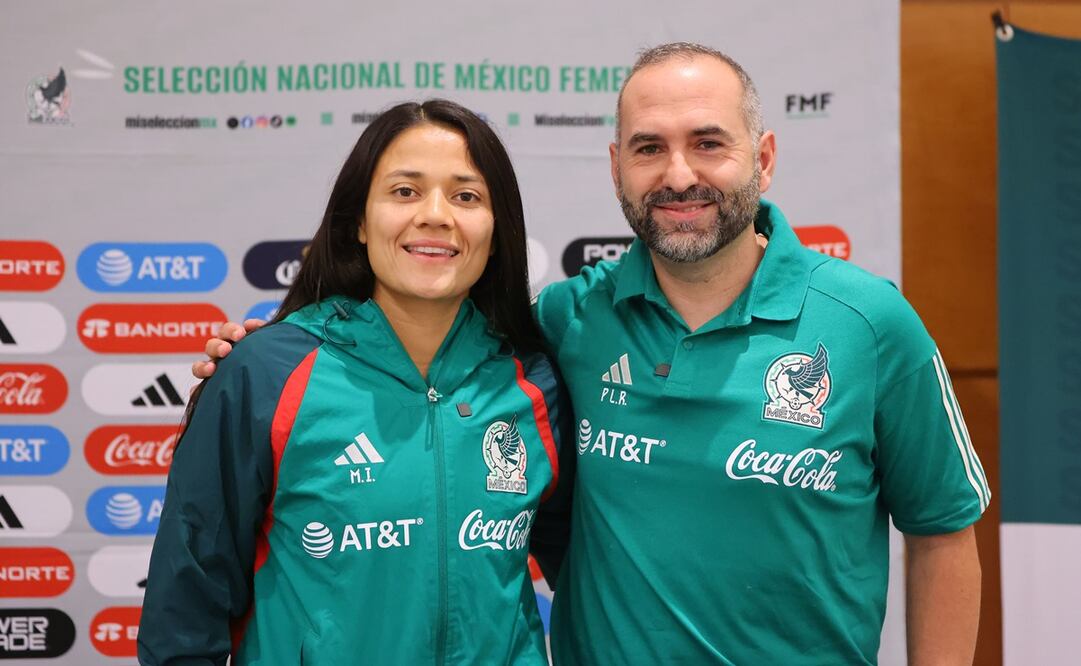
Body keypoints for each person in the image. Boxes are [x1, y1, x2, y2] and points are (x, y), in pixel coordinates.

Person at [196, 44, 988, 665]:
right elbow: (408, 335)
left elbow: (942, 533)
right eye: (648, 148)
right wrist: (263, 358)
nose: (678, 174)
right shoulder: (562, 322)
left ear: (764, 156)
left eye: (707, 143)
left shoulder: (870, 322)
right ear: (616, 168)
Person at [139, 99, 573, 666]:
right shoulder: (265, 373)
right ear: (360, 223)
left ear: (496, 232)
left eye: (466, 196)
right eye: (405, 191)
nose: (436, 215)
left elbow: (592, 570)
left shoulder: (536, 384)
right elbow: (186, 604)